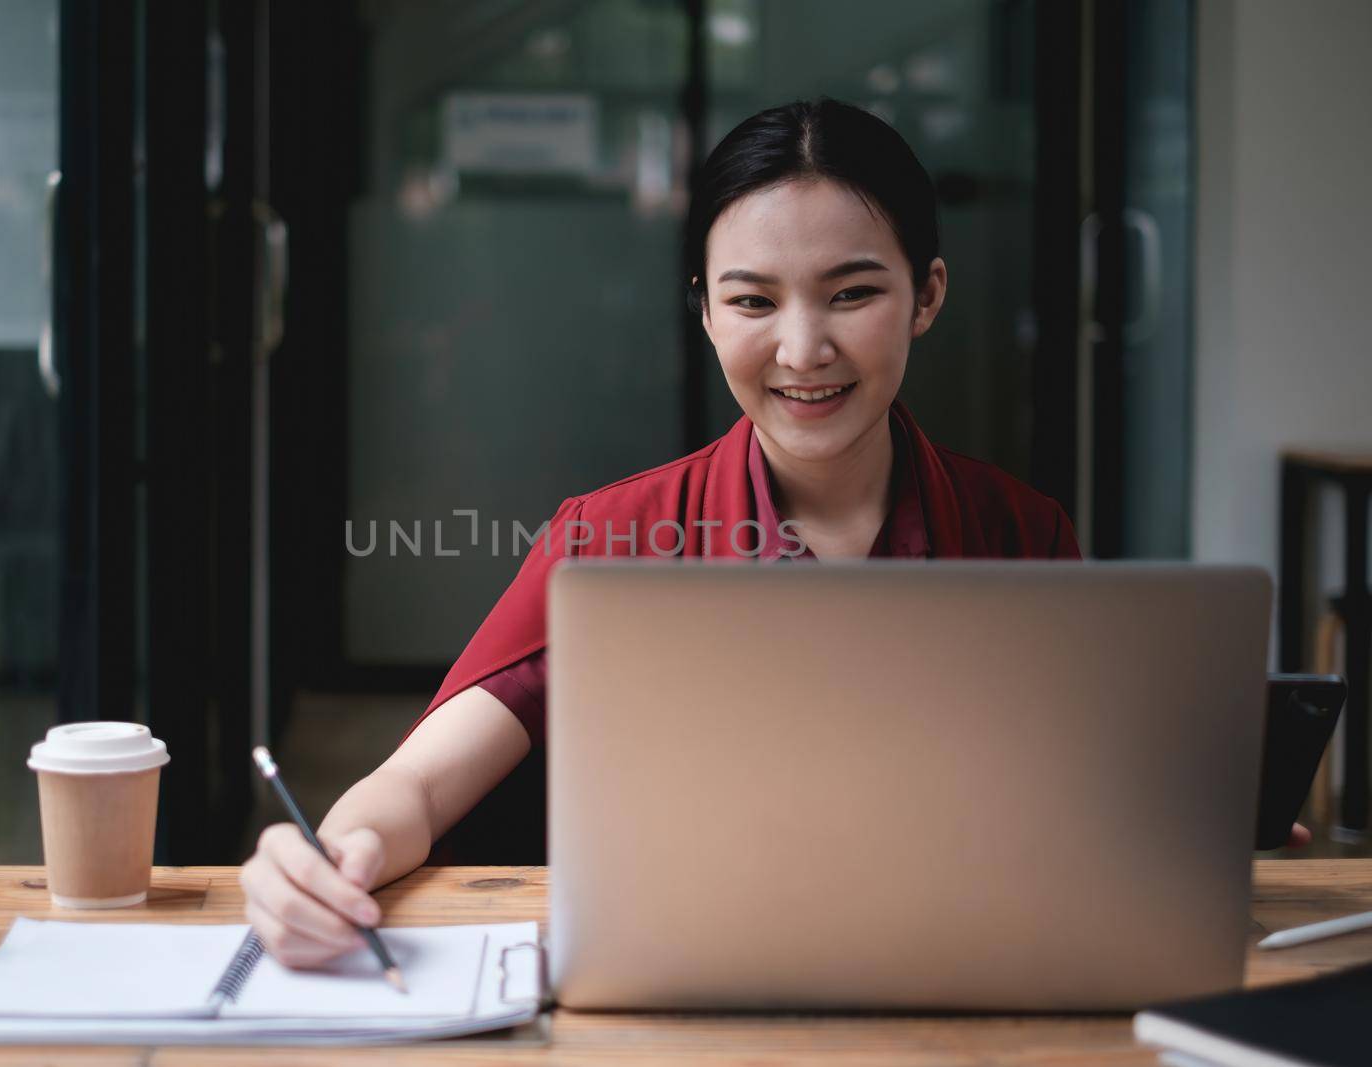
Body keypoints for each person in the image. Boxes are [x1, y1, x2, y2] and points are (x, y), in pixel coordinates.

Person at [238, 98, 1302, 970]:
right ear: (703, 310)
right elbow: (419, 784)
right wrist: (328, 852)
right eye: (752, 299)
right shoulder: (609, 538)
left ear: (926, 294)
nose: (803, 348)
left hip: (956, 981)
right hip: (677, 994)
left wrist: (1185, 826)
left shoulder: (1020, 531)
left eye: (852, 292)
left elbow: (1079, 794)